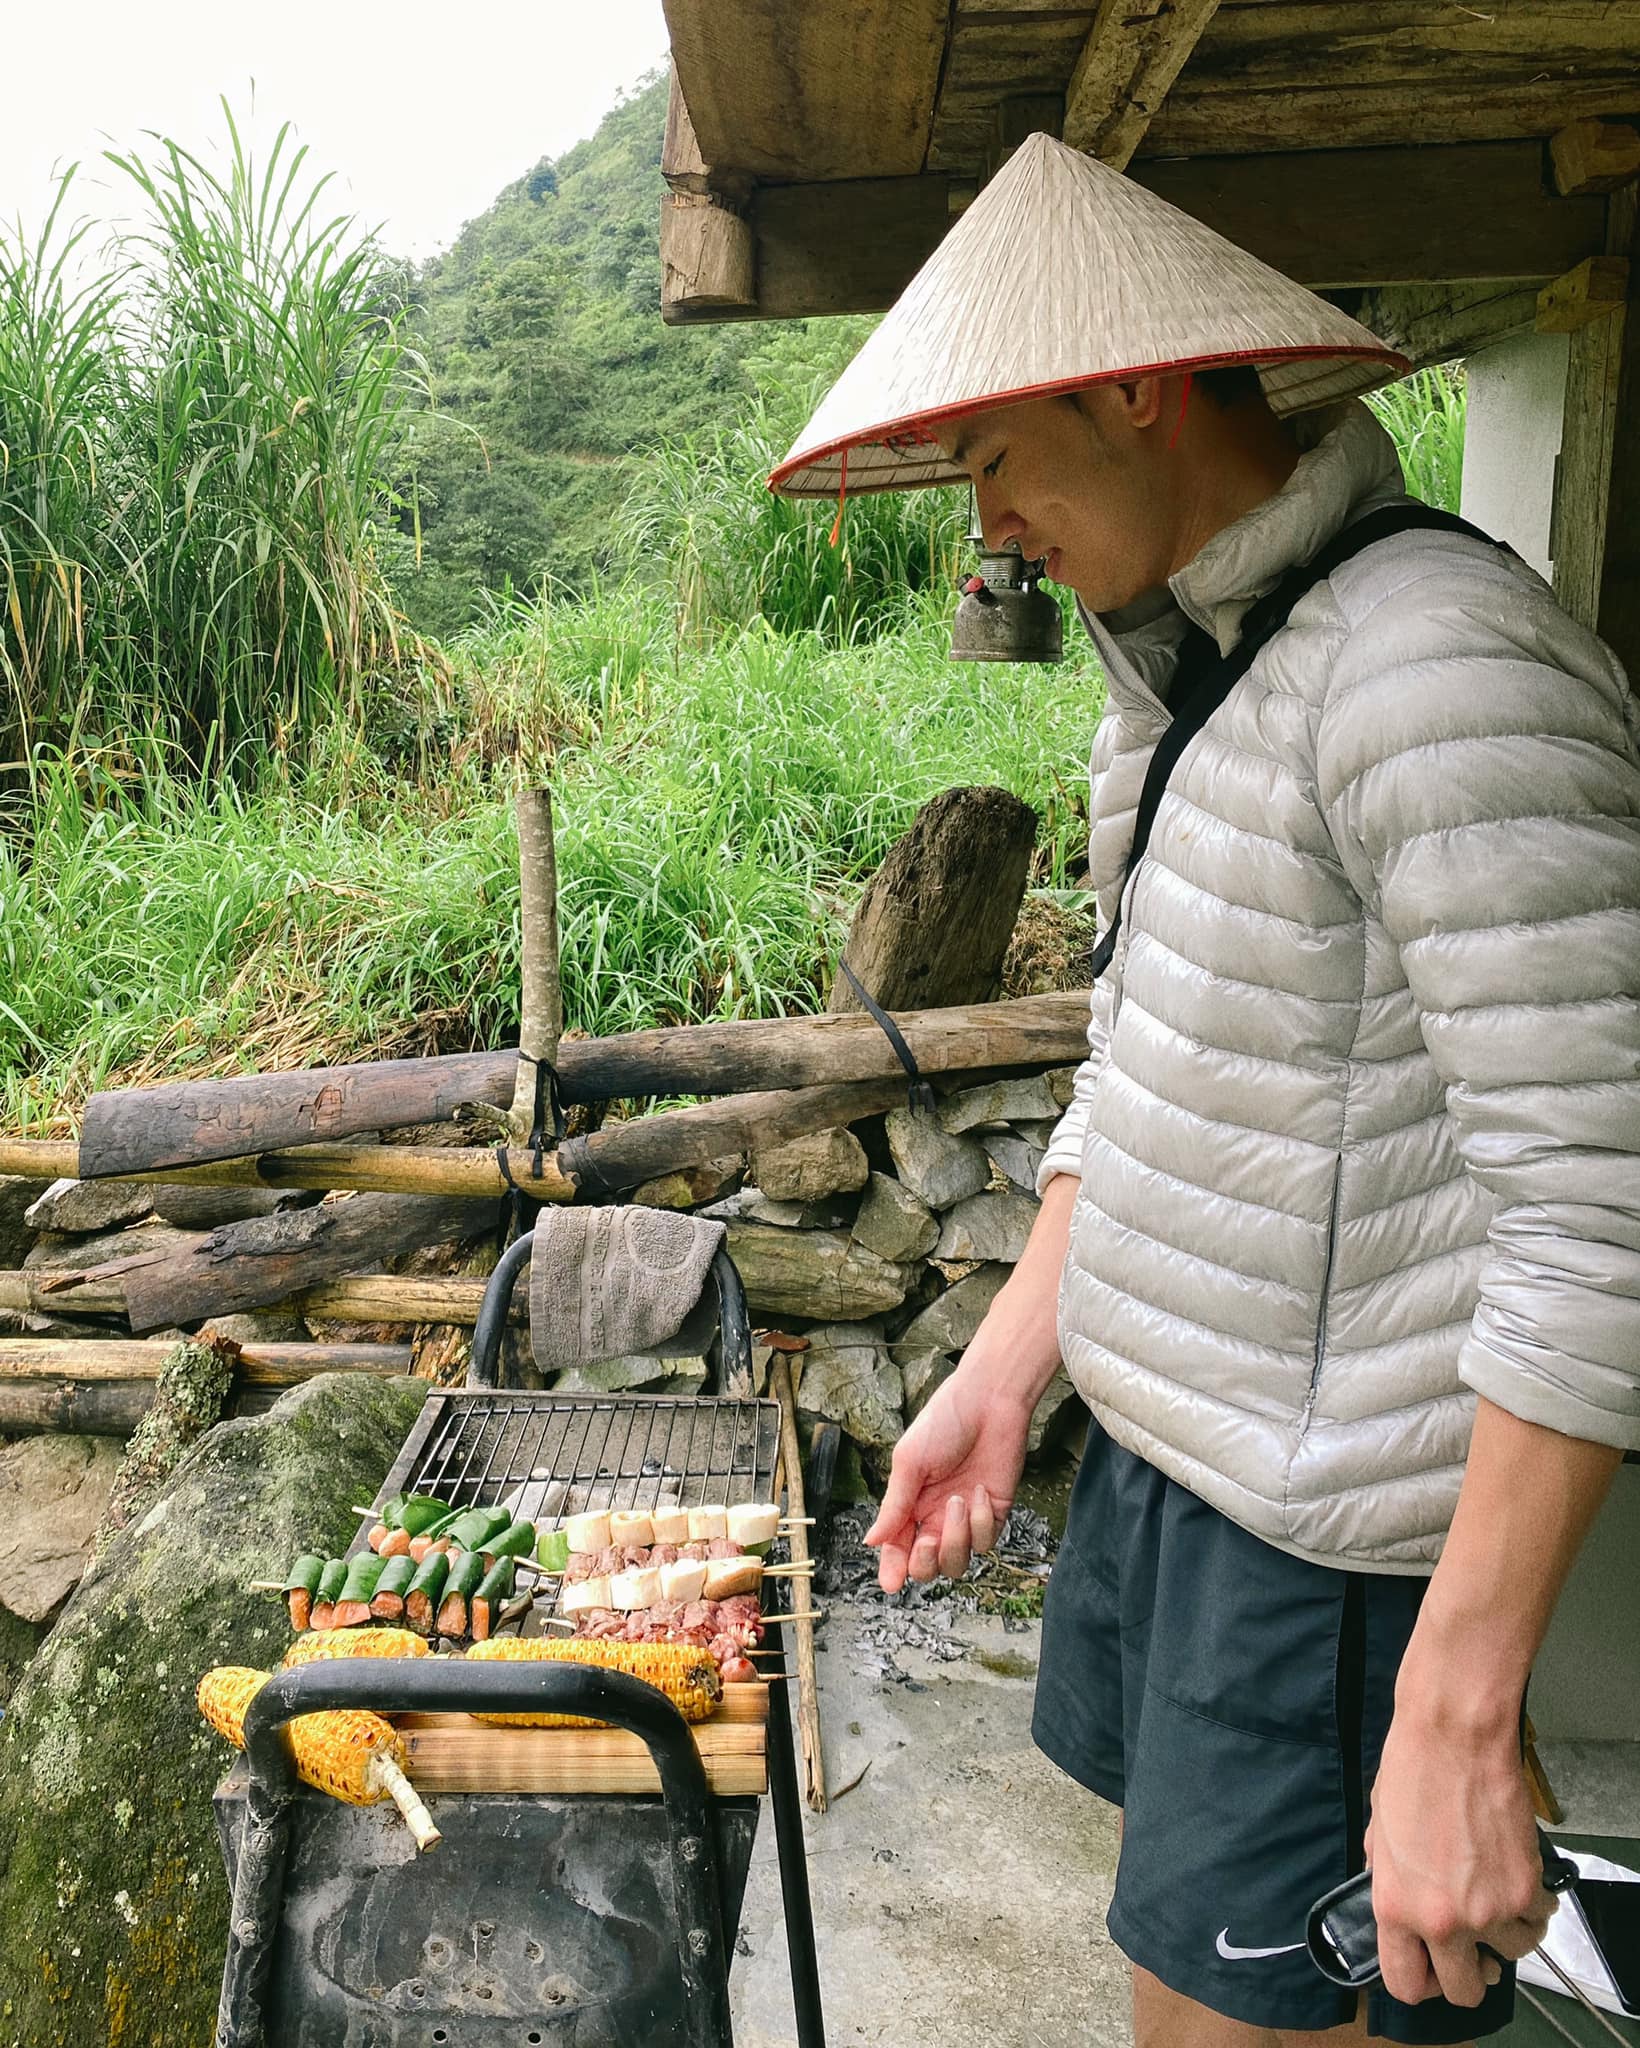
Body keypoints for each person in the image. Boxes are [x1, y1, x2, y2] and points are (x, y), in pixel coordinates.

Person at [769, 135, 1640, 2046]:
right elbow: (1153, 1077)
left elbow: (1602, 1220)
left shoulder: (1442, 674)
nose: (982, 525)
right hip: (1189, 1476)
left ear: (1135, 384)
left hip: (1327, 1556)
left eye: (992, 455)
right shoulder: (1185, 681)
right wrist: (1002, 1380)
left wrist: (1458, 1710)